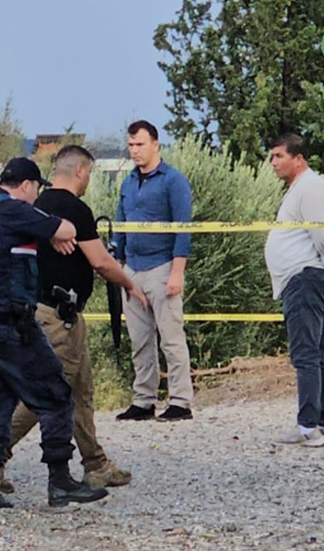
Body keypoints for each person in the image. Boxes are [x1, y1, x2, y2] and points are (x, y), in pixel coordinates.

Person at [0, 157, 107, 512]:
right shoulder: (11, 209)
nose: (37, 196)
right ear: (26, 185)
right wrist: (50, 233)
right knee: (55, 395)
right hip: (12, 321)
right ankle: (61, 481)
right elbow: (66, 229)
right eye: (37, 190)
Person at [6, 146, 141, 491]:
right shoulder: (74, 209)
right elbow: (100, 261)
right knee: (46, 394)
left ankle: (95, 463)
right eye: (90, 175)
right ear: (81, 171)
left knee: (82, 391)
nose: (88, 182)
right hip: (57, 318)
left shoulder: (36, 208)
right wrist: (129, 283)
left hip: (57, 313)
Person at [265, 133, 324, 448]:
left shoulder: (310, 187)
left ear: (298, 158)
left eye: (279, 156)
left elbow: (323, 231)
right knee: (317, 354)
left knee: (305, 355)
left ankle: (308, 426)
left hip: (305, 280)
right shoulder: (301, 189)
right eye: (272, 157)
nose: (274, 163)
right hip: (308, 278)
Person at [113, 120, 195, 422]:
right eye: (131, 145)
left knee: (171, 337)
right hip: (132, 267)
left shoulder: (173, 181)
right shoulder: (127, 182)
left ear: (155, 145)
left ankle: (180, 400)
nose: (135, 150)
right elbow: (120, 226)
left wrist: (177, 272)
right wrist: (118, 265)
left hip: (161, 265)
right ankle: (144, 399)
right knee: (139, 339)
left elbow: (182, 229)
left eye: (140, 144)